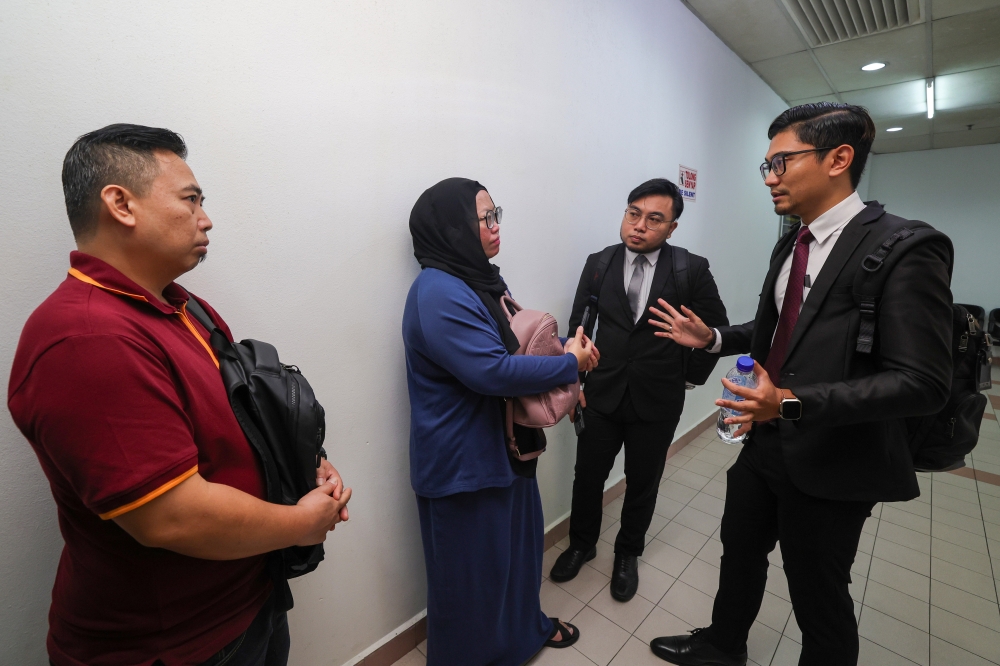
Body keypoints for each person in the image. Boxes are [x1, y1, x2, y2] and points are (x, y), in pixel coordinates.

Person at [7, 124, 352, 666]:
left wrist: (309, 462)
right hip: (172, 645)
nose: (206, 218)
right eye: (190, 200)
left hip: (246, 601)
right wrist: (303, 523)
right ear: (120, 204)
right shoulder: (86, 339)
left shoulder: (179, 305)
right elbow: (171, 517)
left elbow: (246, 413)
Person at [648, 103, 953, 665]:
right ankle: (722, 645)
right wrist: (713, 337)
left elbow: (922, 383)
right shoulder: (792, 243)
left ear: (839, 158)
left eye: (781, 162)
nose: (770, 177)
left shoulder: (905, 248)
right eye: (765, 165)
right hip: (764, 446)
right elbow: (780, 331)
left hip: (835, 459)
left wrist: (787, 403)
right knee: (739, 550)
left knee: (818, 592)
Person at [402, 178, 598, 665]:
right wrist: (571, 366)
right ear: (452, 229)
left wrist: (565, 374)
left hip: (507, 447)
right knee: (467, 583)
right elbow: (491, 370)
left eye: (496, 215)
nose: (493, 227)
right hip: (463, 464)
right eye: (483, 218)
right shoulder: (437, 292)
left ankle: (521, 636)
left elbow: (512, 344)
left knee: (515, 560)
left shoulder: (481, 278)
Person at [550, 178, 728, 602]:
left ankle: (628, 553)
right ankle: (581, 543)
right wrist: (574, 382)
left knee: (643, 481)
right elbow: (578, 327)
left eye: (654, 219)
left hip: (658, 398)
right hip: (601, 394)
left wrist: (687, 377)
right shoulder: (599, 263)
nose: (639, 226)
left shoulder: (690, 269)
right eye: (633, 213)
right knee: (587, 476)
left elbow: (714, 331)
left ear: (671, 228)